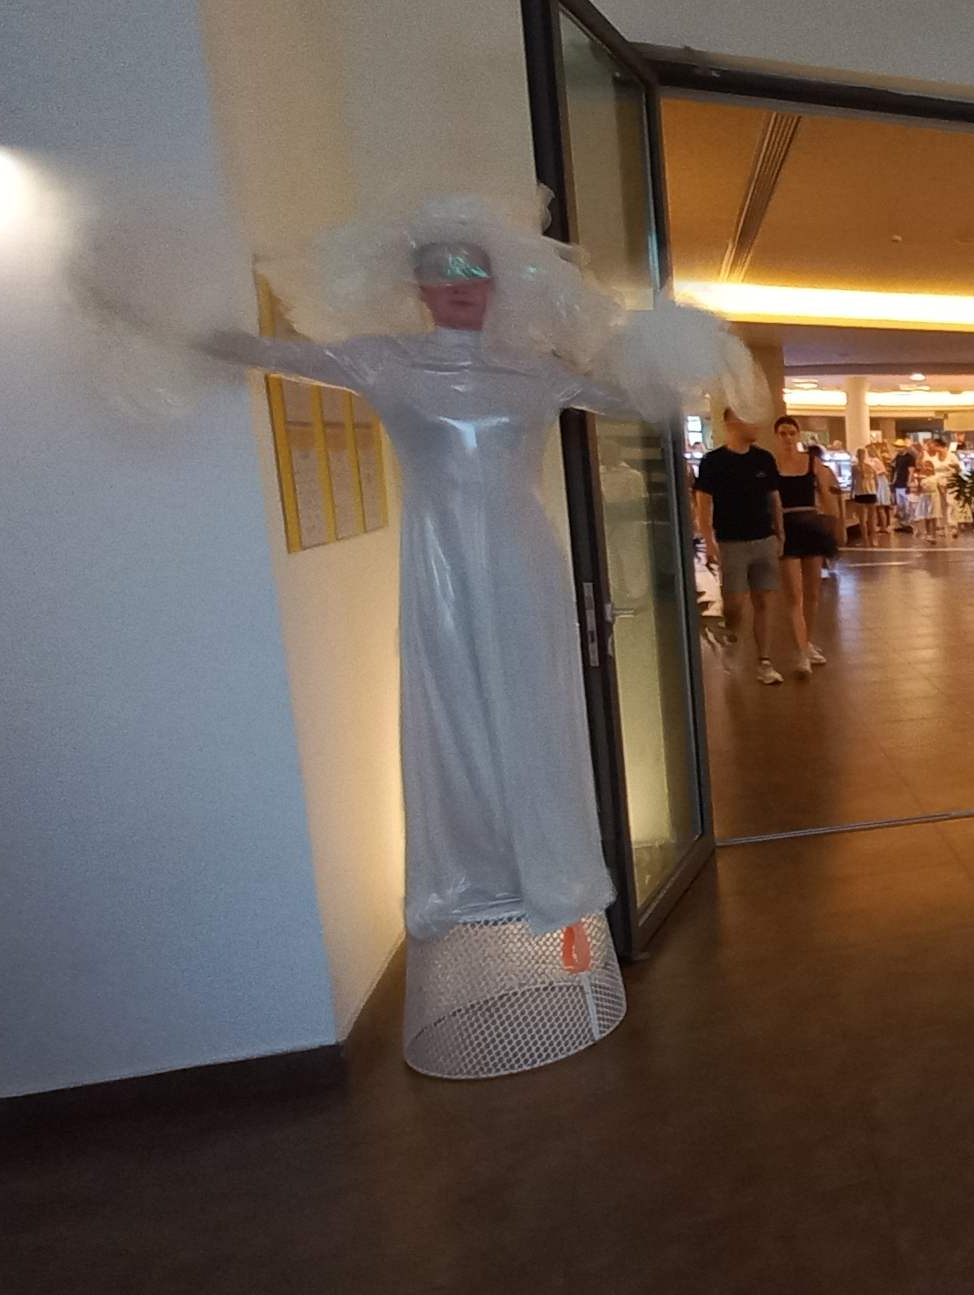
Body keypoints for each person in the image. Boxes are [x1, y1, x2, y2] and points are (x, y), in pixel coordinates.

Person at [156, 194, 758, 938]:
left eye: (474, 271)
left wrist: (680, 351)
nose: (460, 285)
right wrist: (173, 322)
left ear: (498, 283)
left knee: (533, 697)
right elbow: (275, 355)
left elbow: (632, 400)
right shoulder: (383, 359)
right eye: (442, 273)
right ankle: (471, 873)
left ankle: (551, 867)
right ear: (418, 287)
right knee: (453, 699)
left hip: (521, 555)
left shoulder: (534, 371)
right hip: (438, 560)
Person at [693, 410, 787, 685]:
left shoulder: (763, 459)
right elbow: (703, 504)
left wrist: (780, 533)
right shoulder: (713, 462)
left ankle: (764, 661)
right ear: (732, 423)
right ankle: (732, 639)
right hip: (731, 542)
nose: (755, 425)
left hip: (764, 539)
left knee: (764, 601)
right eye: (748, 419)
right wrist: (709, 541)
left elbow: (774, 499)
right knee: (734, 603)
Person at [767, 416, 837, 673]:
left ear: (798, 435)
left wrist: (833, 524)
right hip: (785, 528)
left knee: (812, 593)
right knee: (794, 595)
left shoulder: (811, 462)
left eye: (791, 433)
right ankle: (801, 650)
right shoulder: (772, 465)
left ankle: (807, 642)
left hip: (810, 526)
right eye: (783, 433)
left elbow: (826, 494)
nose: (787, 438)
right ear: (776, 436)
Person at [889, 437, 920, 533]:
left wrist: (908, 483)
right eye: (896, 447)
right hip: (898, 483)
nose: (897, 449)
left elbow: (911, 471)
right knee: (900, 505)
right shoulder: (898, 457)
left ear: (904, 447)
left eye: (899, 447)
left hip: (904, 483)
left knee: (907, 505)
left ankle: (908, 523)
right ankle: (903, 524)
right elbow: (893, 467)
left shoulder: (909, 458)